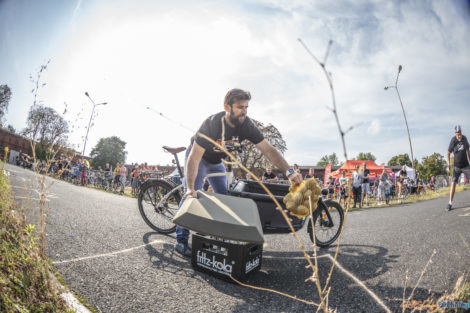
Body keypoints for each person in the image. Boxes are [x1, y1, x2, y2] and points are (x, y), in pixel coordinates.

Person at [174, 88, 303, 257]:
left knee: (225, 197)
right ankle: (181, 240)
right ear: (227, 107)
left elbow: (268, 150)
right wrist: (190, 187)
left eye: (247, 107)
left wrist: (290, 172)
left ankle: (219, 236)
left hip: (216, 162)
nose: (244, 111)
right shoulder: (211, 124)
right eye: (240, 107)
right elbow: (194, 157)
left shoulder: (246, 125)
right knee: (192, 195)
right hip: (199, 159)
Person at [446, 125, 470, 211]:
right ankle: (450, 203)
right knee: (453, 183)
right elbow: (448, 153)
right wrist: (449, 165)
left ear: (461, 132)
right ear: (455, 133)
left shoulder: (465, 139)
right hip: (456, 167)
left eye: (459, 133)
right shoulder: (453, 140)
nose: (459, 135)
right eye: (457, 134)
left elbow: (468, 151)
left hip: (466, 165)